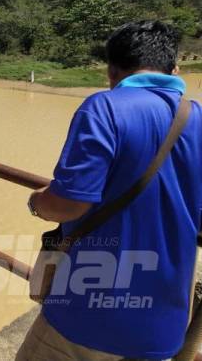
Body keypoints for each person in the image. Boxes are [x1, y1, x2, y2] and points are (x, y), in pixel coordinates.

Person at [16, 20, 202, 360]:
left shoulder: (104, 107)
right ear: (175, 69)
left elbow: (69, 203)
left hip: (87, 313)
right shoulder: (199, 118)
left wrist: (36, 202)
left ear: (112, 71)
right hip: (161, 323)